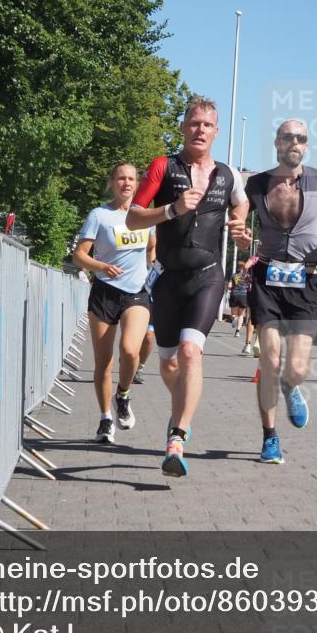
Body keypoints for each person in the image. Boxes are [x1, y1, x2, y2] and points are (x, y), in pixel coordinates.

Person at [127, 96, 248, 477]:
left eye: (207, 125)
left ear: (216, 132)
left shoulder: (228, 174)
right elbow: (132, 218)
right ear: (183, 127)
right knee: (169, 364)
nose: (200, 130)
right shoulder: (164, 167)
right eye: (194, 123)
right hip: (167, 278)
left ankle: (177, 437)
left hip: (208, 276)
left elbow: (240, 206)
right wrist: (171, 210)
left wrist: (241, 231)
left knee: (192, 353)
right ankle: (181, 408)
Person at [228, 119, 317, 465]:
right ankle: (270, 438)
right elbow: (241, 215)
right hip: (266, 278)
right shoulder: (258, 183)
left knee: (296, 368)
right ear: (277, 142)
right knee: (269, 360)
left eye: (301, 138)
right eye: (288, 137)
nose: (295, 142)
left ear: (306, 145)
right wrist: (239, 232)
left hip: (306, 279)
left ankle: (292, 387)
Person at [72, 162, 155, 443]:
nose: (127, 183)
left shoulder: (145, 214)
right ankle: (106, 418)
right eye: (121, 178)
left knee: (131, 349)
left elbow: (153, 246)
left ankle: (123, 394)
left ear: (138, 183)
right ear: (112, 182)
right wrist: (100, 266)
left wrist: (150, 266)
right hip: (105, 292)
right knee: (103, 362)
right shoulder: (99, 215)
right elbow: (79, 256)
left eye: (131, 179)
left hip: (135, 292)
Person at [228, 259, 250, 339]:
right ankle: (237, 332)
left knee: (233, 314)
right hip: (244, 295)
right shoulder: (247, 276)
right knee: (241, 315)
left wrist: (231, 288)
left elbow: (229, 286)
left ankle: (234, 318)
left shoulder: (234, 275)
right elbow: (250, 286)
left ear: (238, 267)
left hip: (234, 294)